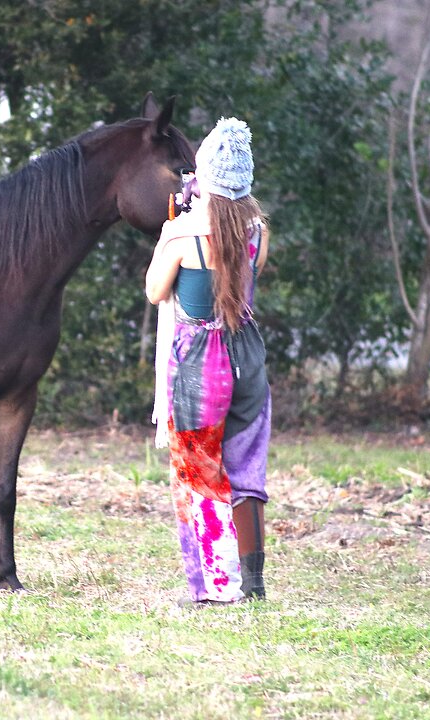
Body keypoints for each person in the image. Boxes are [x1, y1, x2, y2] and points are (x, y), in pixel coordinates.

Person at [145, 117, 270, 604]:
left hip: (200, 365)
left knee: (200, 470)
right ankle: (253, 583)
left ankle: (219, 588)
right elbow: (248, 273)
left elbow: (157, 292)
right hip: (249, 358)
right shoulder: (258, 233)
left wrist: (166, 235)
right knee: (246, 471)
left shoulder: (182, 236)